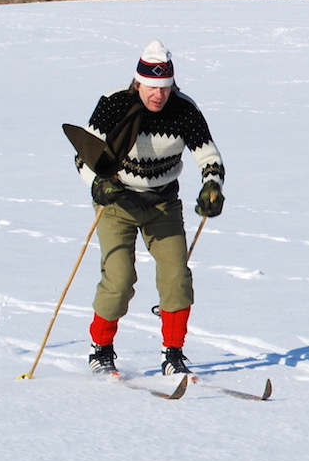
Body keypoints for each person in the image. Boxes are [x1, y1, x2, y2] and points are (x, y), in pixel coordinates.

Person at [75, 40, 225, 376]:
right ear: (138, 82)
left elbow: (209, 156)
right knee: (120, 279)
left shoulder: (184, 110)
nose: (158, 95)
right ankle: (101, 348)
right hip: (118, 202)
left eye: (165, 88)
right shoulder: (114, 104)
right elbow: (84, 154)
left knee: (176, 277)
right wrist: (98, 184)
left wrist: (212, 185)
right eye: (152, 87)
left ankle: (173, 354)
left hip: (163, 205)